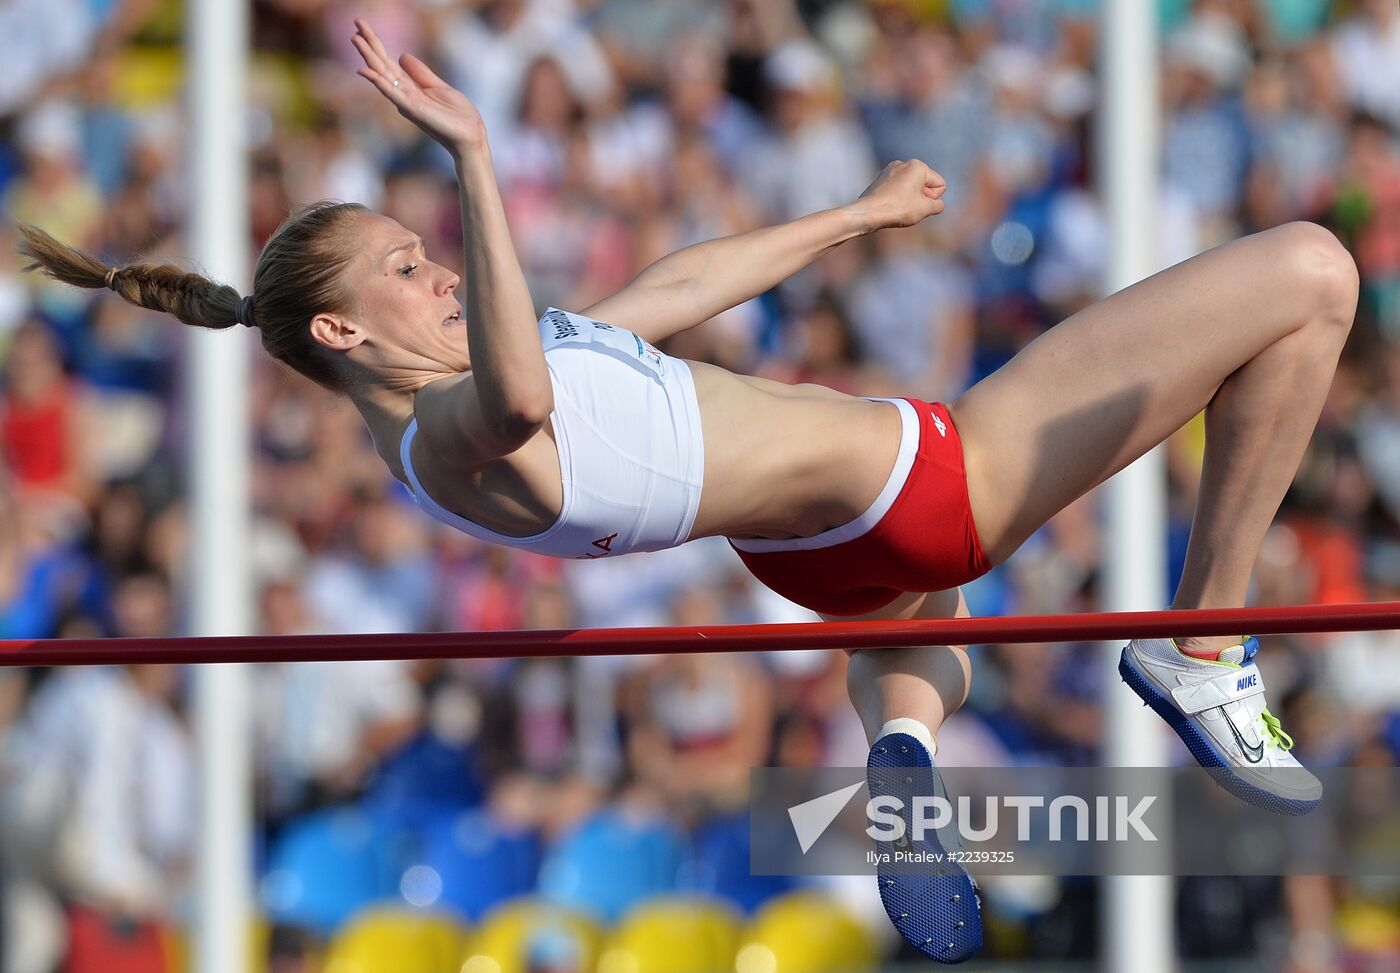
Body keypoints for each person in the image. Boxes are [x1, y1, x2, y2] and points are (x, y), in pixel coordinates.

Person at [14, 20, 1358, 964]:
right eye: (406, 270)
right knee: (1307, 275)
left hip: (822, 551)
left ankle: (901, 746)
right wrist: (473, 156)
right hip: (935, 473)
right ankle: (1203, 645)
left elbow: (674, 291)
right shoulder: (447, 436)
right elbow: (527, 399)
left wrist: (852, 218)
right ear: (344, 339)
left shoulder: (486, 386)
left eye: (430, 254)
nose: (438, 276)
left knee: (925, 605)